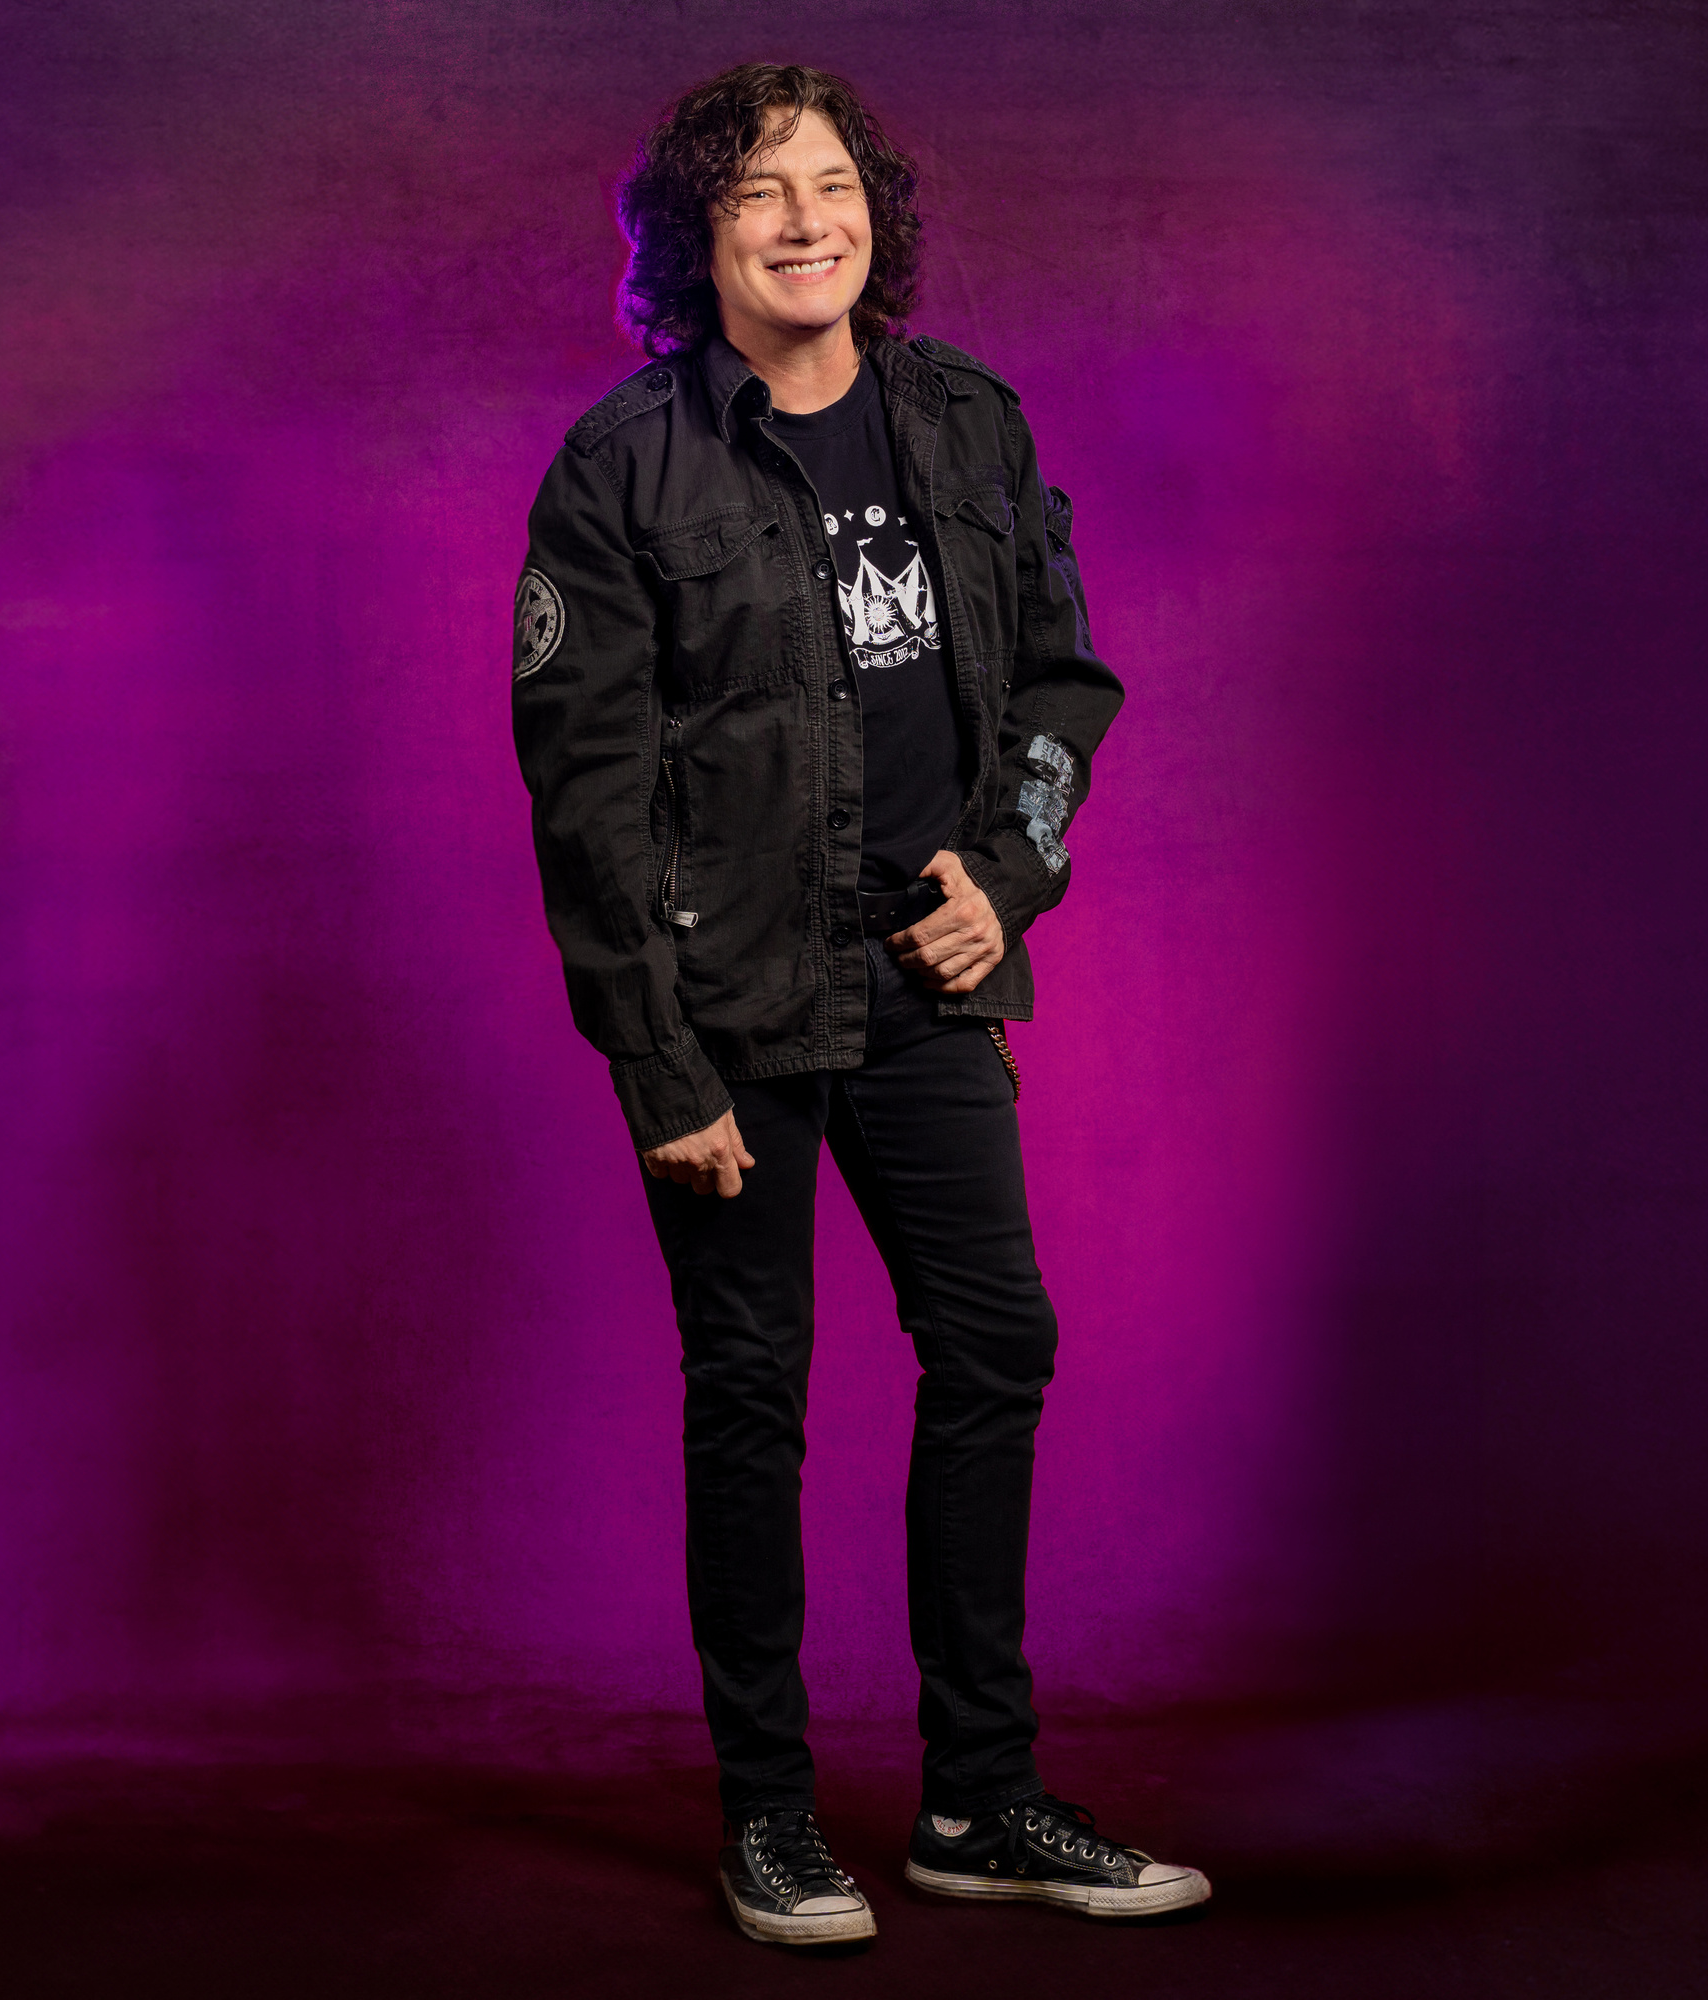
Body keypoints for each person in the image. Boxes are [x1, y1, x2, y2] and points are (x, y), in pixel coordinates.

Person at [511, 62, 1209, 1948]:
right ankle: (768, 1815)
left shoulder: (968, 421)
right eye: (759, 192)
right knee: (753, 1393)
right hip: (729, 1002)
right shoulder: (624, 465)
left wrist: (1011, 872)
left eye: (831, 183)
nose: (805, 220)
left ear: (876, 212)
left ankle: (979, 1797)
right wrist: (658, 1067)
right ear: (699, 235)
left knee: (995, 1349)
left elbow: (1061, 683)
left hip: (923, 979)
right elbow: (585, 802)